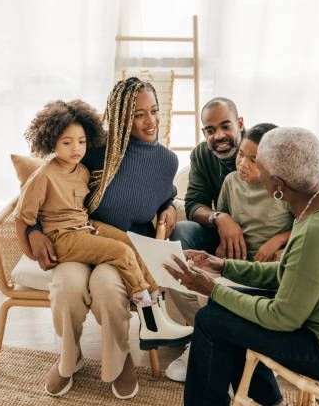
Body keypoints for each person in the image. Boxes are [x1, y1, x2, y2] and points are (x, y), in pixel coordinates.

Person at [163, 127, 319, 406]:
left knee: (212, 320)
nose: (252, 169)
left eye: (258, 165)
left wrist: (212, 289)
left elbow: (281, 317)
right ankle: (271, 402)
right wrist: (225, 266)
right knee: (223, 312)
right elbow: (293, 273)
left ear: (278, 184)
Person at [25, 78, 183, 399]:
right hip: (79, 239)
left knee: (108, 290)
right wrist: (33, 231)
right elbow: (52, 183)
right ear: (121, 116)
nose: (150, 121)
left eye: (154, 111)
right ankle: (69, 358)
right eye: (139, 114)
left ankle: (118, 360)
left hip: (124, 244)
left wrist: (170, 208)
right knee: (66, 289)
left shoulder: (167, 161)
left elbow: (166, 195)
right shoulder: (94, 149)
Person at [166, 97, 247, 381]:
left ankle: (225, 340)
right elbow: (193, 204)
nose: (218, 136)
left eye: (225, 126)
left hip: (261, 238)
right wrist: (220, 219)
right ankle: (201, 334)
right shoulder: (202, 155)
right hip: (220, 235)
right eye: (210, 130)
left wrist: (280, 242)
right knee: (176, 238)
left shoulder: (263, 146)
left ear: (240, 124)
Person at [215, 123, 293, 262]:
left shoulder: (286, 187)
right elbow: (223, 219)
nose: (243, 164)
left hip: (271, 262)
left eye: (253, 160)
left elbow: (307, 225)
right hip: (237, 261)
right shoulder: (231, 181)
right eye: (241, 153)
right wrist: (222, 241)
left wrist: (279, 240)